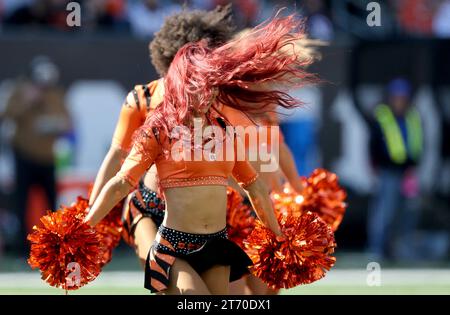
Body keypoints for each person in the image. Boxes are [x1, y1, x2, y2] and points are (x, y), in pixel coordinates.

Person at [85, 14, 314, 294]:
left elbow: (255, 179)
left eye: (210, 82)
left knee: (251, 294)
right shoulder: (148, 107)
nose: (205, 93)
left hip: (216, 237)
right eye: (198, 83)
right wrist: (86, 222)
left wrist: (282, 227)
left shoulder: (225, 121)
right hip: (155, 216)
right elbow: (120, 171)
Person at [89, 5, 237, 269]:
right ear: (174, 58)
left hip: (203, 221)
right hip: (149, 208)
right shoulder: (142, 98)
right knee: (167, 280)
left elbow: (236, 165)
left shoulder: (214, 102)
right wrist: (89, 212)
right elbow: (117, 155)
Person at [1, 56, 71, 254]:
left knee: (51, 203)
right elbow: (7, 115)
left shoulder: (56, 95)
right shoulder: (21, 91)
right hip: (24, 155)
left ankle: (55, 245)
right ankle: (21, 248)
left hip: (47, 157)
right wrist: (27, 102)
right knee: (21, 202)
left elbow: (67, 122)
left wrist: (53, 125)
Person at [367, 78, 423, 260]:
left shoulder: (412, 116)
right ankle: (377, 250)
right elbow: (373, 143)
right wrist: (375, 166)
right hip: (388, 171)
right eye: (396, 97)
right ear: (390, 98)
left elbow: (418, 142)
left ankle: (401, 251)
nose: (399, 101)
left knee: (408, 211)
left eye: (403, 97)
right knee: (385, 211)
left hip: (408, 173)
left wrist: (413, 167)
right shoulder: (382, 115)